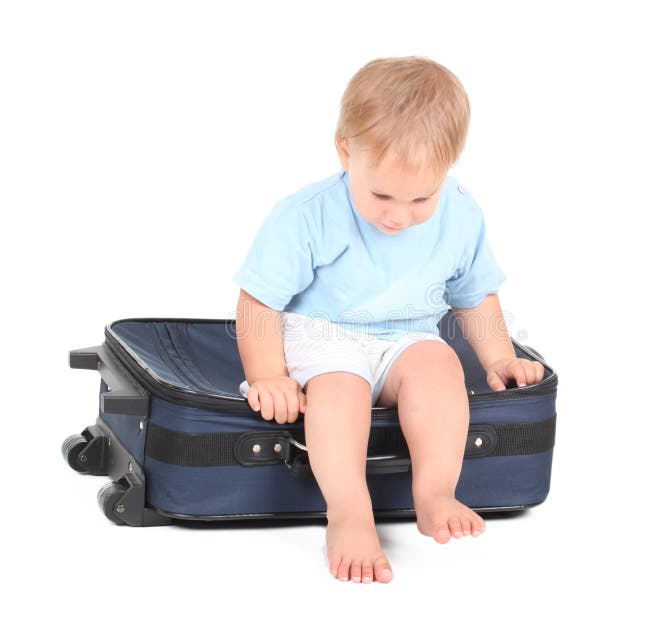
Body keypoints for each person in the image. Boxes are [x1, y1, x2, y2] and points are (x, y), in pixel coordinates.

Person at [232, 56, 544, 584]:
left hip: (407, 335)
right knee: (340, 392)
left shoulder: (461, 213)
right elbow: (258, 302)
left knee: (440, 368)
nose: (399, 216)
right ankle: (350, 512)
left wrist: (499, 356)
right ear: (345, 150)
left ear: (449, 167)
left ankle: (436, 491)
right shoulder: (308, 214)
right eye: (380, 195)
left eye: (422, 197)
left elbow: (474, 295)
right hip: (323, 335)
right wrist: (268, 375)